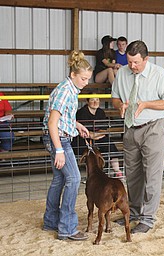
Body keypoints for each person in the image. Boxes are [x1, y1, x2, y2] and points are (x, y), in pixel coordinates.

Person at [111, 40, 164, 233]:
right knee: (132, 174)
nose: (132, 66)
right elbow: (114, 97)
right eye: (130, 62)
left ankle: (148, 218)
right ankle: (133, 212)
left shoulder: (160, 75)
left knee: (152, 174)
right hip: (130, 127)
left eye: (136, 62)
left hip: (153, 127)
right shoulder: (122, 73)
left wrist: (146, 104)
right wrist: (119, 105)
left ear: (146, 59)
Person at [42, 50, 92, 241]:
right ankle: (67, 228)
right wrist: (60, 150)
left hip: (58, 136)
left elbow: (60, 119)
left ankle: (50, 221)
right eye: (83, 78)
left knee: (59, 180)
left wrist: (76, 125)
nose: (86, 83)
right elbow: (52, 123)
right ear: (73, 75)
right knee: (74, 178)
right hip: (58, 139)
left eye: (88, 79)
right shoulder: (65, 91)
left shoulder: (69, 88)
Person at [71, 95, 122, 177]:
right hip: (83, 138)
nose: (95, 102)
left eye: (97, 100)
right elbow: (85, 132)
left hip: (98, 136)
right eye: (92, 100)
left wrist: (96, 135)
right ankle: (91, 174)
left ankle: (117, 171)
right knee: (88, 150)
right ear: (87, 102)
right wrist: (93, 135)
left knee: (109, 145)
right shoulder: (82, 112)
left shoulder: (100, 112)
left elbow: (104, 129)